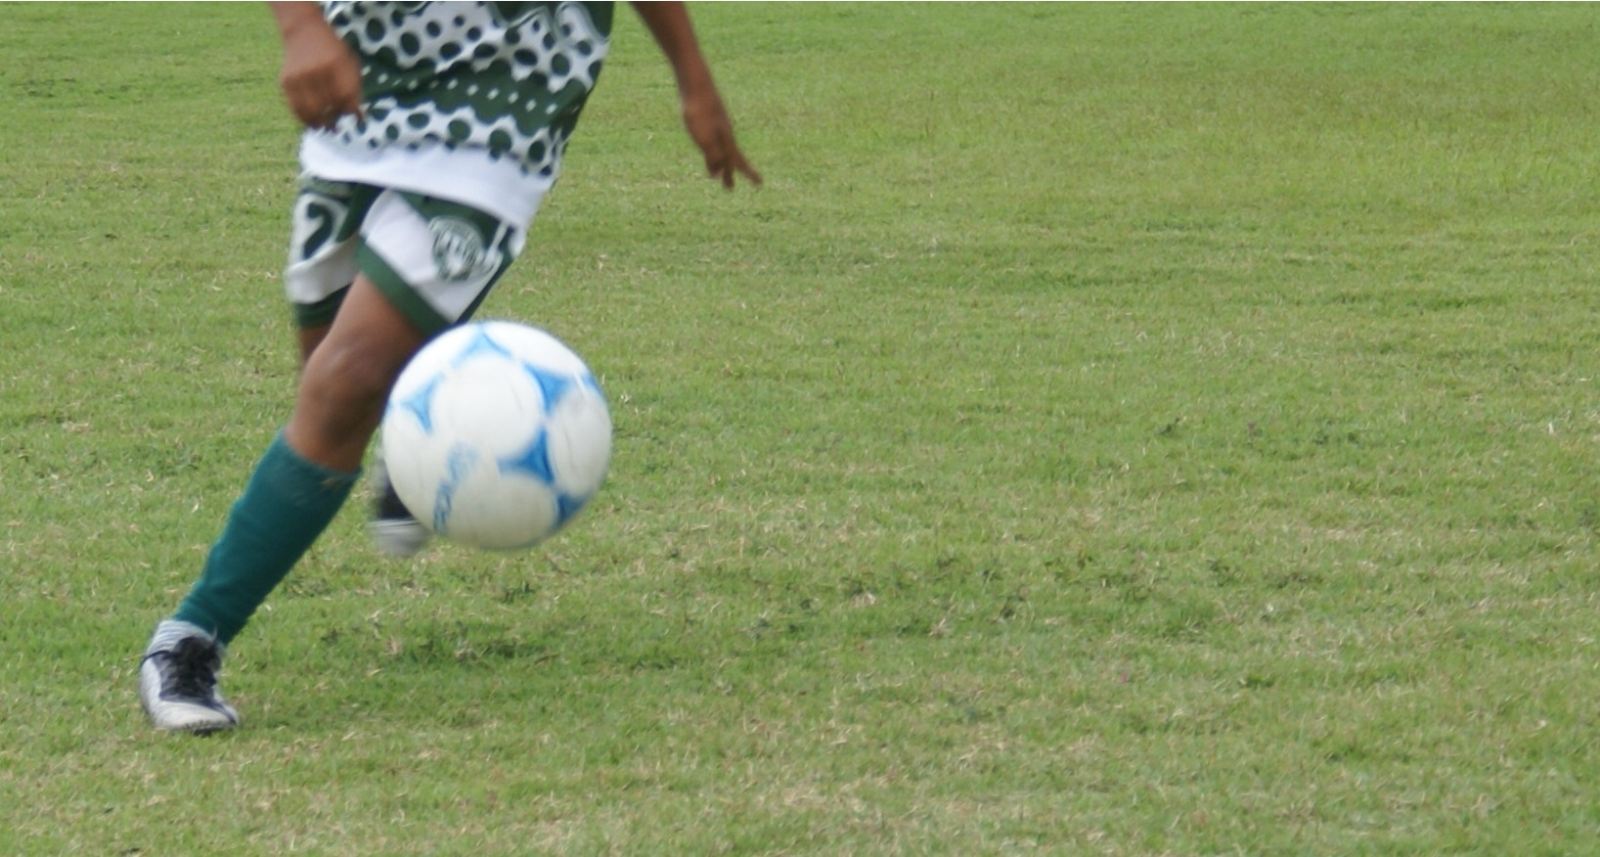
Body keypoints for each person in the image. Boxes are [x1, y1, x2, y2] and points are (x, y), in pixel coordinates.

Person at [138, 0, 760, 733]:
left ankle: (190, 638)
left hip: (513, 96)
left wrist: (693, 76)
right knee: (329, 378)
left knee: (347, 382)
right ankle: (418, 432)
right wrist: (301, 25)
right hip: (363, 72)